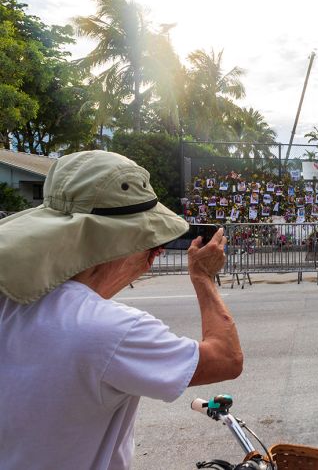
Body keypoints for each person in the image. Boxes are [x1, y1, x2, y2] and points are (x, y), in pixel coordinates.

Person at [0, 150, 243, 470]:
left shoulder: (10, 299)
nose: (152, 257)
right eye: (151, 246)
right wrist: (203, 278)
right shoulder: (108, 330)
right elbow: (227, 358)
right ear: (115, 242)